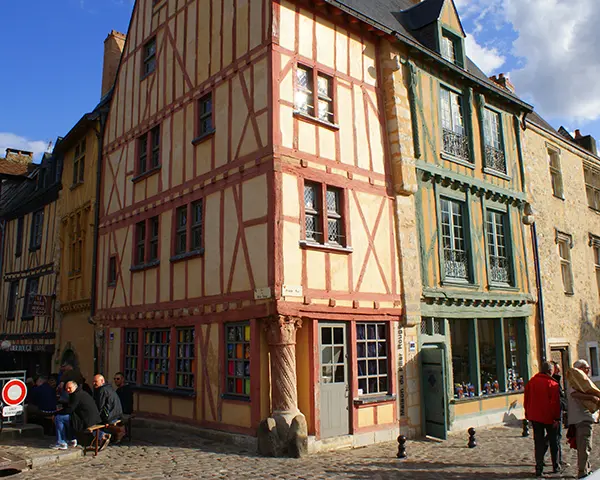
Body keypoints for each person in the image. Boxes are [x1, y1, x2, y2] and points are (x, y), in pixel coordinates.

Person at [524, 361, 561, 477]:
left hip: (535, 416)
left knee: (538, 442)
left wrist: (528, 414)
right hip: (549, 416)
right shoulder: (552, 384)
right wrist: (556, 418)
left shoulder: (531, 382)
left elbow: (526, 400)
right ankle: (556, 465)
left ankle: (539, 467)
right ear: (550, 371)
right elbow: (555, 403)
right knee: (553, 441)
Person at [50, 381, 108, 451]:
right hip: (91, 418)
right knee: (66, 418)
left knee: (59, 418)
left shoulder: (76, 395)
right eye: (66, 388)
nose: (68, 390)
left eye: (69, 388)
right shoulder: (80, 393)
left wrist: (56, 413)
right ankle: (71, 439)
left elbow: (70, 409)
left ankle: (61, 442)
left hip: (86, 420)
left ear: (75, 387)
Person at [567, 359, 600, 479]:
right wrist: (592, 397)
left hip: (584, 417)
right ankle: (583, 472)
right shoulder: (574, 381)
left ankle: (587, 468)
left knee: (585, 445)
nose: (588, 369)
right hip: (582, 418)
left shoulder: (581, 382)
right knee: (584, 446)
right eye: (586, 367)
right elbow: (574, 394)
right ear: (579, 369)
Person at [93, 374, 125, 443]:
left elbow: (100, 406)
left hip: (111, 415)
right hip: (117, 413)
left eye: (96, 381)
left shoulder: (102, 390)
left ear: (102, 381)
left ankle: (102, 436)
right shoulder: (109, 388)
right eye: (93, 381)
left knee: (93, 423)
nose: (94, 383)